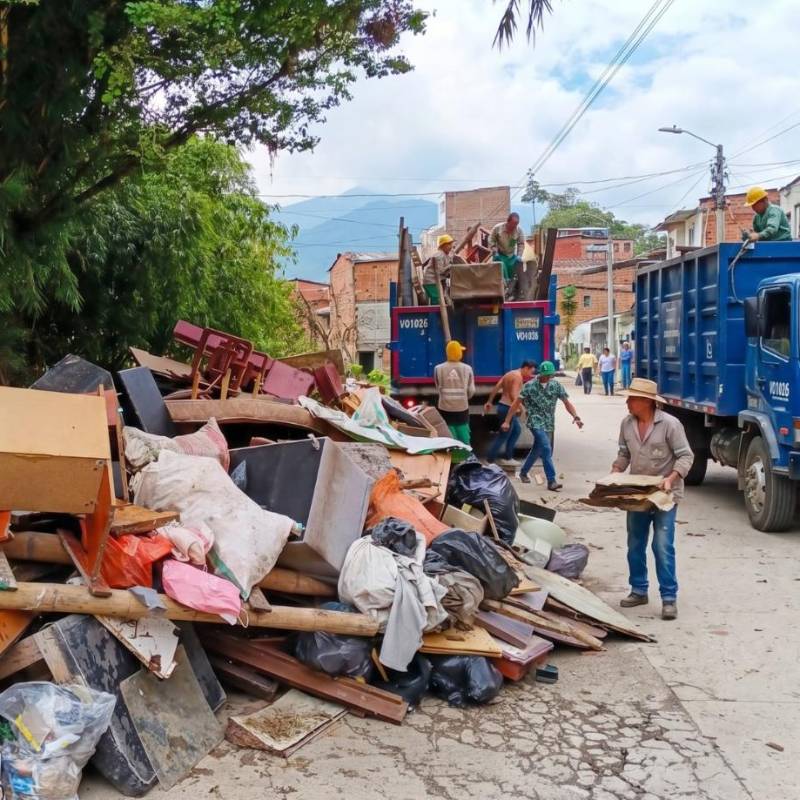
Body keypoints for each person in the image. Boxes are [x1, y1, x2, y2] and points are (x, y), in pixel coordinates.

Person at [610, 377, 694, 621]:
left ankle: (669, 598)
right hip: (638, 493)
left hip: (665, 494)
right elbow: (624, 453)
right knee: (635, 543)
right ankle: (639, 590)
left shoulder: (671, 425)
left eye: (632, 398)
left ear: (647, 402)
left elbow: (685, 457)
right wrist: (616, 469)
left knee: (661, 545)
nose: (627, 402)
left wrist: (671, 478)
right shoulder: (627, 424)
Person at [502, 360, 583, 490]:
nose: (547, 377)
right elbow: (516, 404)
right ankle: (551, 481)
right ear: (540, 373)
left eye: (550, 375)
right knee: (546, 448)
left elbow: (567, 403)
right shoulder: (529, 386)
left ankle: (523, 472)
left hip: (549, 423)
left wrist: (576, 417)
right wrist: (507, 421)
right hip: (535, 421)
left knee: (537, 449)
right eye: (545, 375)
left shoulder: (556, 386)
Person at [484, 361, 536, 465]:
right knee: (503, 435)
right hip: (508, 408)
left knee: (516, 430)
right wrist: (521, 408)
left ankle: (508, 456)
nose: (530, 375)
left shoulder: (510, 374)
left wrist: (489, 401)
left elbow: (497, 387)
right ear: (526, 368)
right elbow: (513, 394)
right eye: (531, 372)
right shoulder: (518, 377)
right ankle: (490, 459)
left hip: (502, 406)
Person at [434, 340, 475, 446]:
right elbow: (471, 391)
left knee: (449, 436)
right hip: (462, 408)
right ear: (459, 353)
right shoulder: (467, 369)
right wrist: (464, 398)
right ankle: (465, 457)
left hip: (445, 408)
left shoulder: (438, 369)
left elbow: (438, 388)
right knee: (464, 436)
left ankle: (452, 458)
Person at [490, 213, 526, 298]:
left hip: (512, 256)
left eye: (516, 225)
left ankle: (515, 291)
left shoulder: (519, 230)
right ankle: (504, 290)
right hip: (500, 255)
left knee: (517, 268)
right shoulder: (497, 228)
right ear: (508, 222)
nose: (513, 228)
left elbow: (521, 244)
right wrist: (495, 252)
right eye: (512, 225)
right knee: (501, 268)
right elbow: (491, 241)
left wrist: (519, 256)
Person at [422, 234, 455, 304]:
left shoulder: (445, 255)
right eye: (449, 244)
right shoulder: (439, 255)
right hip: (431, 282)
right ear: (443, 246)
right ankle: (435, 315)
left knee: (438, 302)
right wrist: (451, 266)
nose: (451, 246)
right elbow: (440, 271)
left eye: (451, 244)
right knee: (438, 303)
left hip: (434, 282)